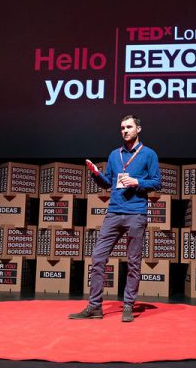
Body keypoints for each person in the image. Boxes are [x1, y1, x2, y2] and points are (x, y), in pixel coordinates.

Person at [68, 114, 161, 322]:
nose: (125, 131)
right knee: (98, 257)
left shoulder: (149, 154)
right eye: (122, 128)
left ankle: (128, 305)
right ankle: (95, 307)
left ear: (138, 129)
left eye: (129, 127)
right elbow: (108, 182)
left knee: (133, 262)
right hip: (114, 212)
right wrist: (95, 174)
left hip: (136, 213)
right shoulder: (114, 155)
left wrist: (137, 182)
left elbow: (157, 182)